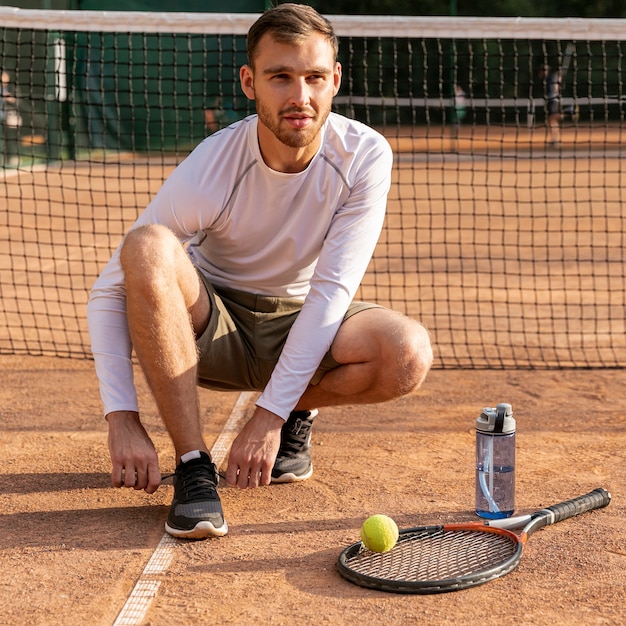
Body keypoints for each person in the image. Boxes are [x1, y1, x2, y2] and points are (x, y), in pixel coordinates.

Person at [87, 3, 433, 540]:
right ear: (250, 82)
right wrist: (122, 418)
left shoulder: (364, 156)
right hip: (209, 328)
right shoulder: (213, 164)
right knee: (148, 246)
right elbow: (112, 288)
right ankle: (195, 465)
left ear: (335, 79)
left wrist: (270, 414)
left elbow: (330, 294)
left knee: (408, 352)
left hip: (303, 322)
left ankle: (297, 412)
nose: (300, 97)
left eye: (315, 77)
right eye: (280, 78)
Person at [538, 64, 562, 147]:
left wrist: (558, 77)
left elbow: (555, 87)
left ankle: (568, 112)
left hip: (552, 100)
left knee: (551, 119)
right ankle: (555, 139)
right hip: (551, 100)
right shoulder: (549, 78)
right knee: (552, 121)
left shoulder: (550, 77)